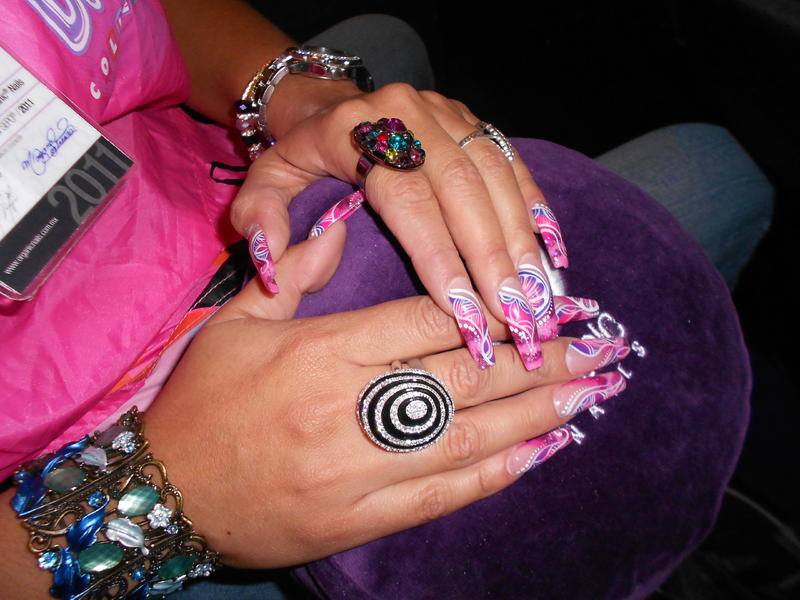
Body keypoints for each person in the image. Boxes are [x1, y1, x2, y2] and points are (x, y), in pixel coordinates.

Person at [0, 1, 769, 599]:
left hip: (219, 199)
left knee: (386, 37)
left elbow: (146, 17)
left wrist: (305, 99)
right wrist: (142, 498)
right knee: (718, 174)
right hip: (83, 468)